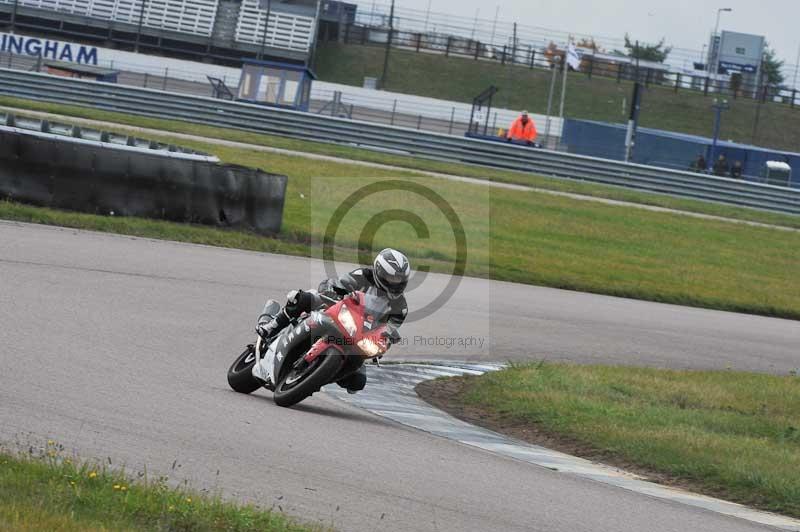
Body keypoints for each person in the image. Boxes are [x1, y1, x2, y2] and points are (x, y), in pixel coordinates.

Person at [255, 248, 411, 393]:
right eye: (392, 278)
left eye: (400, 279)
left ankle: (316, 379)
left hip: (358, 338)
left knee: (358, 382)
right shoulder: (363, 275)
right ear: (379, 272)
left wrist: (386, 341)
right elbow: (339, 284)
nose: (395, 282)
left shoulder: (400, 307)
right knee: (303, 298)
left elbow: (389, 331)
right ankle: (272, 325)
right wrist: (333, 293)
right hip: (337, 313)